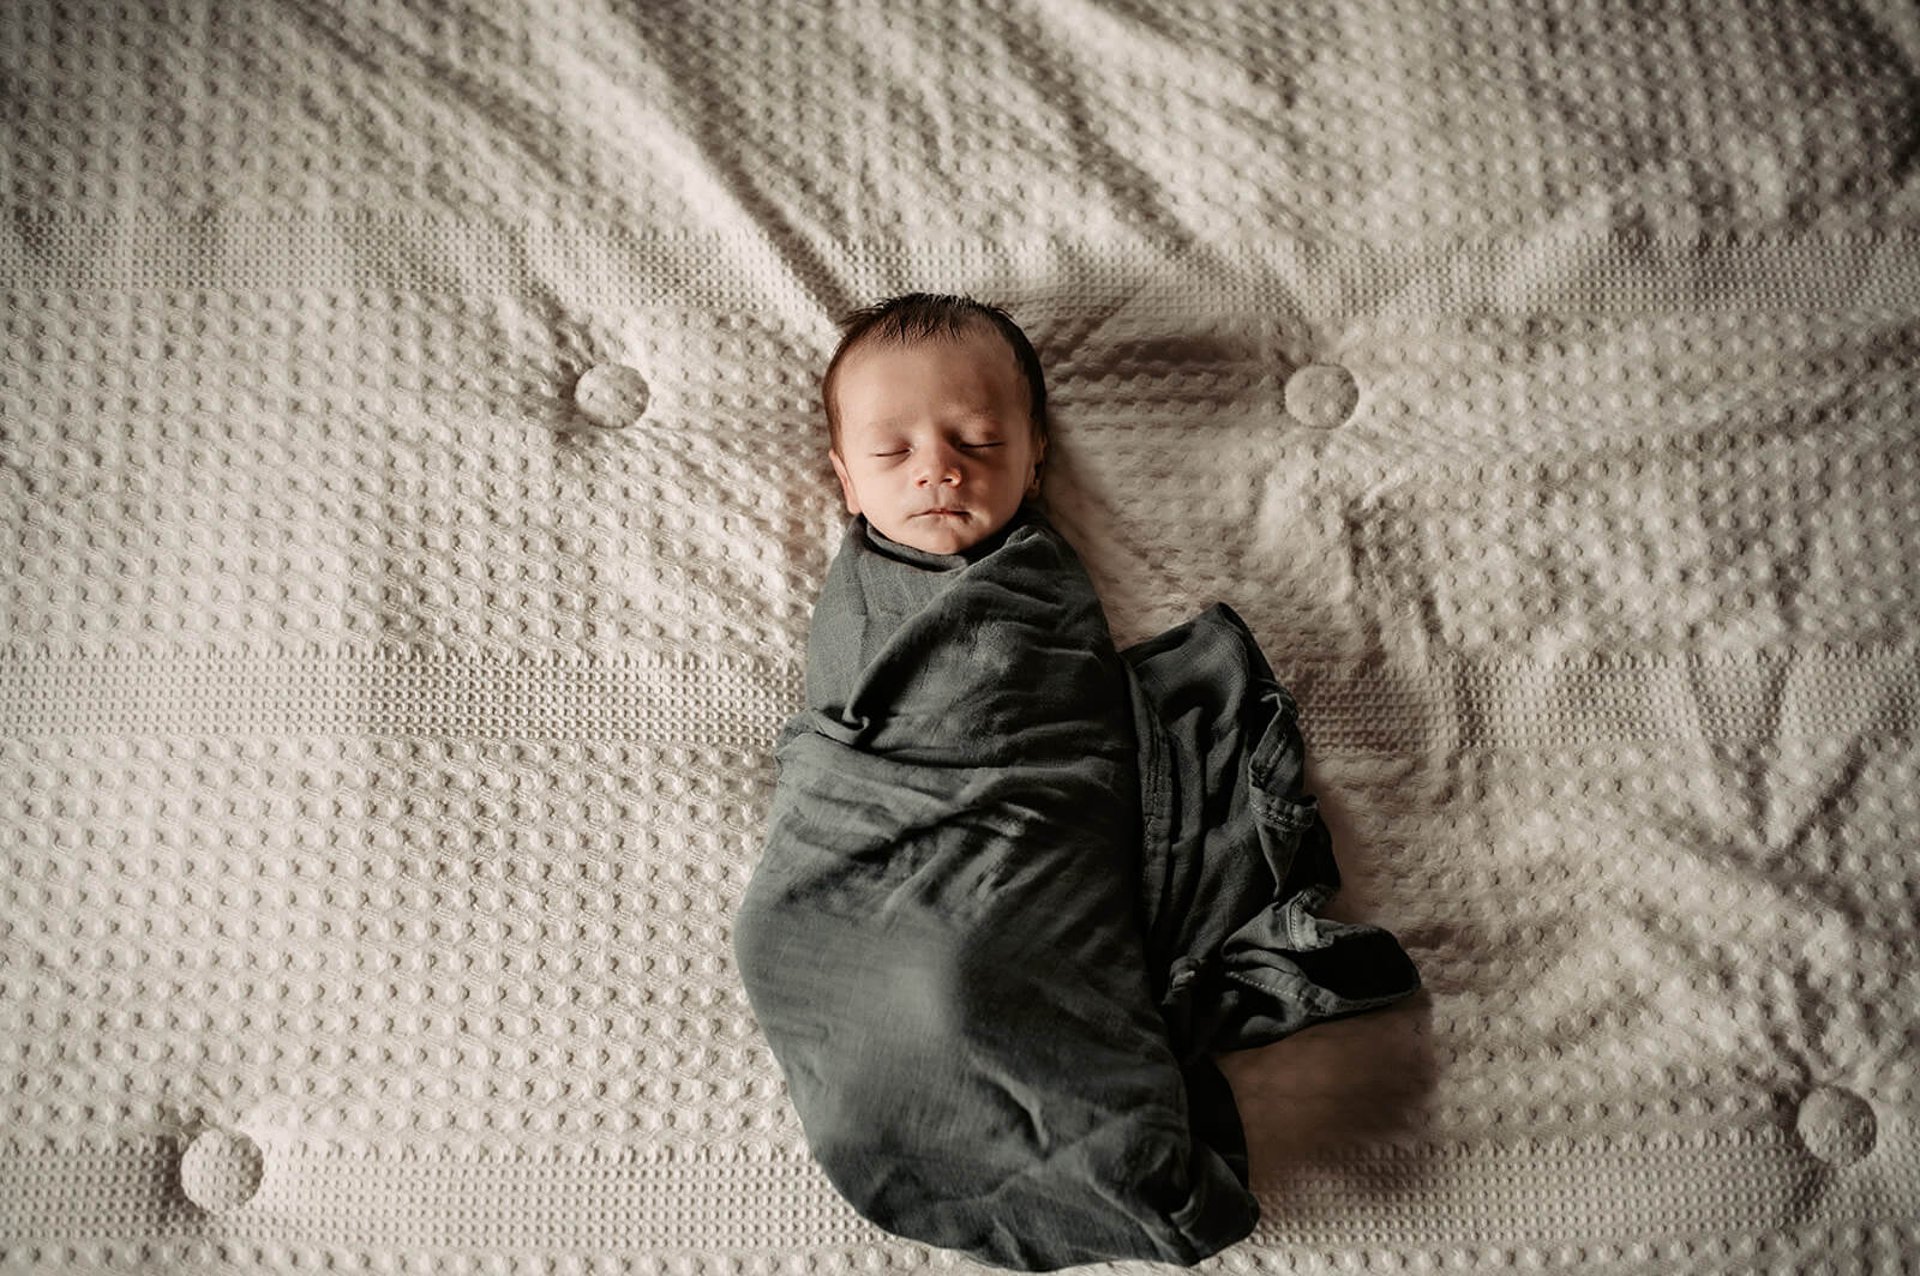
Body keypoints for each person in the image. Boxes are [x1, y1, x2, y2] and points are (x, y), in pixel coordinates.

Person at [732, 292, 1422, 1271]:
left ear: (1036, 456)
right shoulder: (859, 592)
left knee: (970, 981)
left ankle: (1110, 1153)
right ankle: (974, 1135)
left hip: (1019, 846)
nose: (938, 467)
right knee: (780, 941)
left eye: (975, 439)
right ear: (844, 477)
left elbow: (1070, 732)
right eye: (893, 453)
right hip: (855, 836)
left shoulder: (1035, 583)